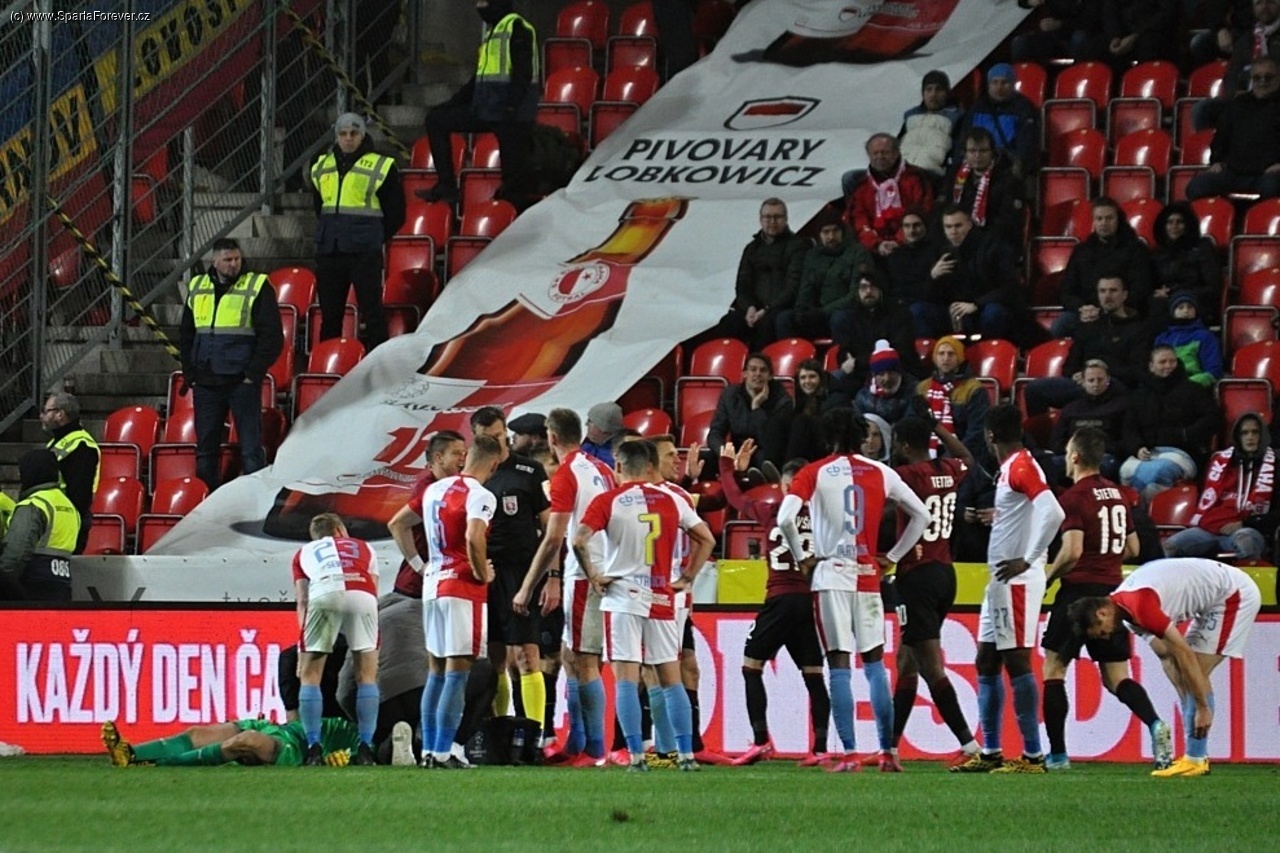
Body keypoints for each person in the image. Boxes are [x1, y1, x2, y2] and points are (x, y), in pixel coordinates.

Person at [778, 408, 930, 772]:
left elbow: (785, 518)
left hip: (831, 574)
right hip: (868, 576)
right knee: (875, 665)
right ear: (862, 436)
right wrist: (891, 557)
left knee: (839, 664)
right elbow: (922, 515)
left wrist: (802, 556)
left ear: (827, 436)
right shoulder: (881, 472)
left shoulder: (814, 472)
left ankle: (849, 753)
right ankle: (888, 751)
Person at [575, 439, 716, 772]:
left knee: (626, 677)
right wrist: (687, 577)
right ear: (650, 465)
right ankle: (686, 755)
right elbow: (707, 539)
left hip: (623, 597)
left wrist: (593, 575)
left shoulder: (608, 500)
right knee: (670, 677)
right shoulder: (673, 499)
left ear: (619, 466)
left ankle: (637, 756)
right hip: (662, 596)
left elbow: (578, 539)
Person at [1040, 427, 1172, 772]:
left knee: (1054, 669)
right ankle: (1155, 723)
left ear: (1074, 456)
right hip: (1113, 596)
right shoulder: (1118, 494)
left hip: (1077, 593)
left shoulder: (1073, 498)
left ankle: (1058, 755)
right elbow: (1133, 548)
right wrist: (1106, 561)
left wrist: (1047, 577)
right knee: (1116, 677)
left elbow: (1072, 551)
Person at [1069, 557, 1263, 777]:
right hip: (1214, 596)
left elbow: (1184, 653)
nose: (1106, 637)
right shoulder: (1129, 614)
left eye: (1102, 632)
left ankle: (1196, 758)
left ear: (1101, 613)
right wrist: (1185, 689)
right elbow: (1166, 654)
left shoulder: (1140, 605)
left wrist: (1201, 707)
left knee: (1195, 673)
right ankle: (1194, 755)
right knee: (1183, 674)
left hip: (1233, 594)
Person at [952, 404, 1065, 774]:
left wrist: (1029, 559)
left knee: (1016, 661)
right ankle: (991, 751)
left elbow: (1054, 512)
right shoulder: (1013, 467)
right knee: (986, 660)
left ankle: (1033, 756)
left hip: (1017, 580)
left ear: (990, 435)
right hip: (1000, 581)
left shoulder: (1020, 467)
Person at [718, 445, 832, 767]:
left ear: (785, 486)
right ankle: (820, 749)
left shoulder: (772, 511)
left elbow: (734, 498)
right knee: (814, 675)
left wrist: (727, 466)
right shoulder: (824, 518)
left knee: (751, 667)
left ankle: (760, 742)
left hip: (780, 599)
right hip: (808, 601)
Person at [514, 408, 616, 765]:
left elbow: (553, 538)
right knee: (574, 656)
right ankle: (577, 743)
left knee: (584, 661)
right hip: (603, 566)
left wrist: (528, 586)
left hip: (585, 572)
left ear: (552, 437)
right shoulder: (602, 468)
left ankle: (595, 750)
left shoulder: (566, 474)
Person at [887, 416, 983, 767]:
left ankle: (970, 747)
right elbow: (969, 459)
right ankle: (890, 749)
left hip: (917, 576)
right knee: (906, 661)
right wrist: (938, 428)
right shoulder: (947, 468)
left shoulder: (905, 476)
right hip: (945, 572)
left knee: (930, 667)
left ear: (903, 445)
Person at [415, 434, 502, 768]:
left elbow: (405, 525)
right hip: (462, 589)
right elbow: (473, 536)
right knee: (457, 672)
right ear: (493, 463)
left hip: (432, 584)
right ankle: (443, 751)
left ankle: (428, 750)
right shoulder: (481, 495)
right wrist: (482, 573)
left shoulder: (433, 490)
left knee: (436, 671)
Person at [468, 407, 550, 740]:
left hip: (521, 573)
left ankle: (535, 736)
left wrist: (552, 577)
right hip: (484, 572)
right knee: (495, 657)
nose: (495, 442)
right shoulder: (472, 475)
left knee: (527, 655)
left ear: (506, 433)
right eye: (486, 437)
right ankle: (501, 735)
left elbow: (550, 529)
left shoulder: (530, 471)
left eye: (499, 436)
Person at [179, 237, 284, 492]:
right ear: (214, 261)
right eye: (227, 260)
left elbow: (272, 337)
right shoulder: (198, 286)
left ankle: (255, 501)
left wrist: (252, 374)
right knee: (206, 450)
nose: (233, 264)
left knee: (250, 449)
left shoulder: (257, 285)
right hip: (206, 381)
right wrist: (190, 372)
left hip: (241, 382)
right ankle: (207, 502)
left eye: (237, 259)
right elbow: (186, 333)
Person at [419, 0, 538, 207]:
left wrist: (511, 108)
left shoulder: (517, 27)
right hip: (487, 109)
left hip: (511, 115)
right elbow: (477, 80)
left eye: (484, 2)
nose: (479, 7)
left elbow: (523, 74)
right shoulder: (492, 33)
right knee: (436, 119)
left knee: (514, 185)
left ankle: (510, 209)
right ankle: (447, 186)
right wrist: (450, 104)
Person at [291, 512, 381, 766]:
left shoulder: (303, 553)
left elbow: (303, 599)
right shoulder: (366, 548)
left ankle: (314, 749)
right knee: (367, 676)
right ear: (340, 530)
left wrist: (303, 646)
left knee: (310, 676)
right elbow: (374, 590)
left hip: (325, 592)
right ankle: (366, 748)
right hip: (362, 594)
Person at [310, 113, 405, 351]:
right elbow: (320, 208)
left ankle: (378, 363)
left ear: (363, 135)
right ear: (336, 137)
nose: (348, 138)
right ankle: (330, 363)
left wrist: (372, 238)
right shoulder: (320, 165)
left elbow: (397, 214)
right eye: (343, 134)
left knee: (372, 313)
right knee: (330, 316)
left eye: (354, 133)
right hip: (330, 250)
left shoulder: (382, 166)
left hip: (364, 253)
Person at [1024, 275, 1152, 415]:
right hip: (1083, 384)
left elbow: (1137, 371)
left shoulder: (1138, 329)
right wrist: (1077, 375)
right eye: (1102, 291)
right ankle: (1040, 428)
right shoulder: (1088, 327)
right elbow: (1070, 365)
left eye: (1113, 290)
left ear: (1124, 295)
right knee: (1034, 389)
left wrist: (1099, 374)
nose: (1107, 296)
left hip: (1116, 385)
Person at [1163, 413, 1276, 561]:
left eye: (1255, 432)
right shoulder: (1219, 462)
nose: (1250, 437)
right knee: (1170, 546)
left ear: (1263, 436)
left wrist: (1245, 523)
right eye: (1244, 433)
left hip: (1247, 529)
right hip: (1209, 530)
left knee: (1246, 541)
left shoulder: (1275, 466)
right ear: (1237, 437)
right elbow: (1203, 499)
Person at [1119, 345, 1221, 501]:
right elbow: (1129, 427)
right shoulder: (1139, 395)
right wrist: (1137, 447)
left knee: (1157, 472)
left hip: (1184, 451)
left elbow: (1212, 419)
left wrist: (1185, 435)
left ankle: (1155, 513)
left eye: (1172, 361)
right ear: (1151, 366)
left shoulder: (1194, 390)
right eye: (1162, 362)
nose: (1168, 366)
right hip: (1147, 452)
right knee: (1126, 471)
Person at [711, 198, 809, 350]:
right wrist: (749, 307)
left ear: (786, 219)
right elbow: (742, 285)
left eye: (777, 217)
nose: (772, 221)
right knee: (729, 322)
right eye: (768, 217)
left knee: (767, 324)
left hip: (782, 307)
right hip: (754, 309)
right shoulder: (751, 248)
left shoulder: (799, 245)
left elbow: (793, 288)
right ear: (760, 219)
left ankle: (760, 363)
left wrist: (767, 309)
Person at [1053, 197, 1154, 337]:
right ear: (1093, 221)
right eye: (1099, 219)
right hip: (1087, 311)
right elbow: (1067, 291)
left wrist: (1110, 308)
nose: (1103, 223)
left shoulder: (1136, 249)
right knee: (1060, 325)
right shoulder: (1082, 251)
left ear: (1118, 219)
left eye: (1109, 218)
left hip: (1122, 310)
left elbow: (1141, 288)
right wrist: (1083, 308)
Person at [920, 204, 1022, 340]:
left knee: (993, 313)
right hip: (955, 312)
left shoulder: (992, 246)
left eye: (958, 226)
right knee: (918, 310)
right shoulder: (942, 252)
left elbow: (1009, 287)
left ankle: (990, 351)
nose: (953, 232)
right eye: (948, 227)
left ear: (969, 224)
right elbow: (932, 296)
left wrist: (976, 304)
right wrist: (933, 277)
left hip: (985, 306)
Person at [1187, 54, 1280, 200]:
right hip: (1233, 172)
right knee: (1197, 186)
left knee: (1272, 186)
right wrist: (1216, 161)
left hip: (1268, 174)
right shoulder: (1238, 104)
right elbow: (1220, 138)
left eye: (1268, 77)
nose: (1262, 82)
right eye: (1257, 78)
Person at [101, 717, 360, 768]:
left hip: (293, 750)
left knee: (245, 742)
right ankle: (130, 752)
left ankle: (156, 764)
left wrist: (341, 760)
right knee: (197, 734)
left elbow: (360, 757)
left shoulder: (360, 740)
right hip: (276, 727)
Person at [775, 207, 872, 343]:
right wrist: (802, 311)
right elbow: (806, 288)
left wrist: (823, 312)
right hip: (818, 315)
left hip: (846, 313)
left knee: (840, 318)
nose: (831, 236)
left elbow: (856, 294)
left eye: (835, 231)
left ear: (843, 231)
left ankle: (842, 355)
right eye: (826, 232)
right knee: (785, 319)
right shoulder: (813, 255)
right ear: (819, 235)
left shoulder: (858, 253)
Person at [0, 449, 80, 602]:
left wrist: (4, 585)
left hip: (31, 585)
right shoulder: (69, 506)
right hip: (62, 583)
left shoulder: (34, 505)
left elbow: (16, 553)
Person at [833, 264, 924, 388]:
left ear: (881, 289)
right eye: (863, 287)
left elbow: (898, 353)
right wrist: (846, 360)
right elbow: (844, 351)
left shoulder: (900, 314)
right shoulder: (849, 316)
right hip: (861, 375)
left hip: (896, 373)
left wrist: (857, 362)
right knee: (832, 381)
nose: (868, 291)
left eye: (872, 286)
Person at [845, 133, 935, 257]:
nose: (880, 157)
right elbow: (858, 220)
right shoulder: (862, 185)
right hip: (873, 249)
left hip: (911, 244)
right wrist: (876, 244)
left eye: (885, 152)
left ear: (896, 153)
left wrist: (898, 241)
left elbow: (923, 212)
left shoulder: (915, 178)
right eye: (875, 153)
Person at [1041, 359, 1128, 484]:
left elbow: (1125, 440)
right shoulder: (1070, 409)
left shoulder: (1121, 407)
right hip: (1073, 455)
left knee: (1103, 467)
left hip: (1104, 457)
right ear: (1083, 382)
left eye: (1100, 379)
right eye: (1091, 380)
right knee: (1046, 466)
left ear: (1108, 380)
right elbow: (1056, 441)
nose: (1096, 384)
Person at [707, 352, 795, 471]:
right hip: (736, 452)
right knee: (706, 459)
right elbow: (715, 432)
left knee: (765, 459)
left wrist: (756, 408)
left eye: (763, 370)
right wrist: (724, 452)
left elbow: (768, 440)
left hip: (765, 452)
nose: (758, 374)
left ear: (770, 376)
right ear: (744, 374)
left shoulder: (782, 401)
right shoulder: (730, 395)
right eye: (753, 369)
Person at [952, 63, 1040, 180]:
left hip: (1007, 166)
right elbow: (964, 138)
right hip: (977, 162)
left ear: (1012, 84)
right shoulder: (978, 107)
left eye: (1004, 82)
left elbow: (1027, 144)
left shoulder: (1024, 108)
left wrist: (1019, 164)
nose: (999, 87)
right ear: (988, 85)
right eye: (995, 82)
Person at [942, 127, 1025, 248]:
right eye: (972, 151)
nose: (977, 155)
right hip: (956, 236)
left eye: (983, 151)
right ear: (965, 153)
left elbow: (1008, 222)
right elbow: (943, 207)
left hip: (992, 243)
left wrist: (973, 237)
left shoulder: (1008, 180)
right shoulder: (955, 174)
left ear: (992, 152)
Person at [39, 391, 99, 554]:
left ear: (60, 414)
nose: (42, 416)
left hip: (67, 524)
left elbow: (79, 496)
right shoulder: (56, 442)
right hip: (56, 519)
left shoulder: (81, 445)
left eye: (46, 411)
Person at [916, 335, 990, 460]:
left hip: (964, 456)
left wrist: (950, 458)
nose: (945, 358)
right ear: (934, 358)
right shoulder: (922, 388)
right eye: (941, 354)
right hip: (925, 455)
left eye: (951, 354)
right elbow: (913, 423)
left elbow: (976, 432)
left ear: (959, 358)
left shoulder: (974, 389)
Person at [1150, 203, 1223, 325]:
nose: (1174, 226)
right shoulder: (1157, 253)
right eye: (1169, 222)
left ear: (1188, 225)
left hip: (1196, 301)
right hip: (1165, 302)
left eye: (1180, 222)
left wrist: (1175, 292)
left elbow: (1213, 288)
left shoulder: (1203, 248)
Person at [898, 69, 964, 181]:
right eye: (929, 89)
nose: (933, 94)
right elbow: (898, 143)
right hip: (902, 171)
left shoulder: (957, 117)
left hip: (931, 174)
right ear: (923, 93)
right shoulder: (911, 115)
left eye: (939, 89)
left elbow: (957, 150)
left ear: (947, 93)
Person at [882, 208, 938, 337]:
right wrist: (929, 278)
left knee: (916, 310)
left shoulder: (937, 252)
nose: (911, 231)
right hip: (904, 305)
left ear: (925, 226)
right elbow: (896, 289)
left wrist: (927, 280)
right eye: (907, 226)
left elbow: (935, 293)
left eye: (916, 225)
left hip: (930, 307)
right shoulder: (896, 256)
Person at [1153, 292, 1224, 387]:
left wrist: (1188, 384)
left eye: (1190, 307)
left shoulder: (1205, 336)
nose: (1186, 310)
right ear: (1173, 312)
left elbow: (1214, 371)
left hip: (1193, 386)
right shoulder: (1162, 338)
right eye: (1180, 307)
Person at [851, 341, 918, 427]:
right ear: (874, 376)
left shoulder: (914, 391)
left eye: (891, 373)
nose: (887, 378)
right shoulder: (863, 397)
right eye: (881, 374)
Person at [581, 402, 624, 469]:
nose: (586, 424)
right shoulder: (588, 446)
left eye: (590, 421)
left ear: (603, 428)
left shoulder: (612, 460)